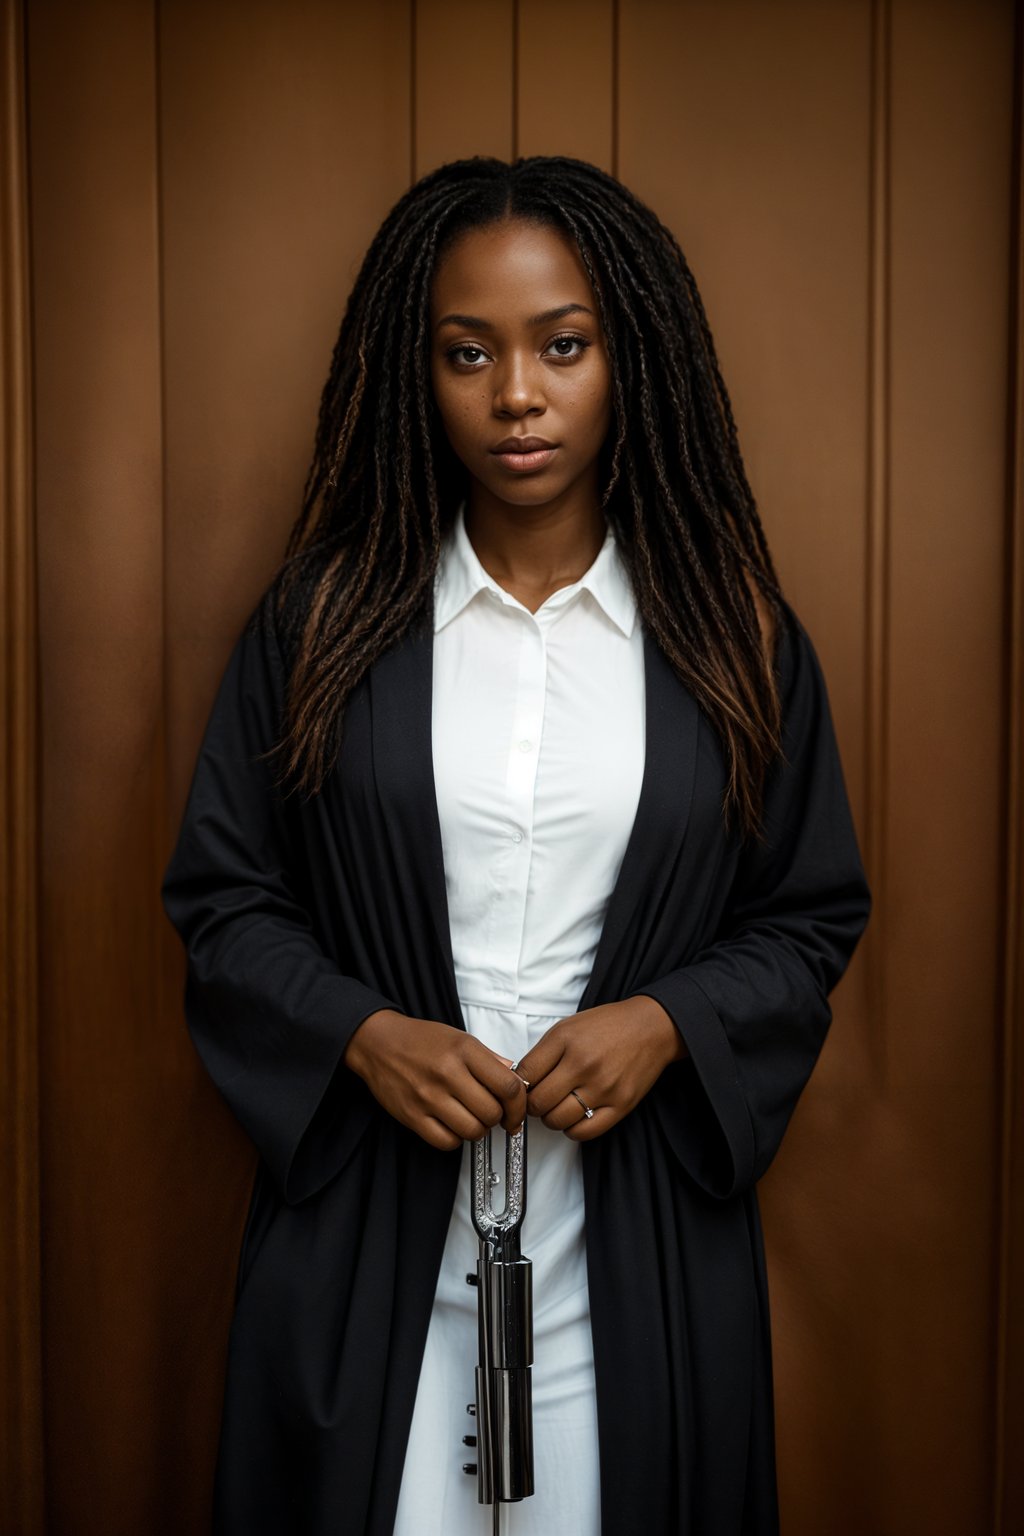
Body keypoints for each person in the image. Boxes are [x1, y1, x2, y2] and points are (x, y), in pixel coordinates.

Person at [161, 154, 871, 1536]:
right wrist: (362, 1032)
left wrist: (670, 1021)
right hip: (372, 1234)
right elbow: (225, 896)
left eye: (564, 345)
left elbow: (807, 914)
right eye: (466, 352)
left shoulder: (737, 642)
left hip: (636, 1248)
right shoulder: (321, 628)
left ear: (630, 356)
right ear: (412, 372)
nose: (518, 396)